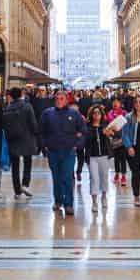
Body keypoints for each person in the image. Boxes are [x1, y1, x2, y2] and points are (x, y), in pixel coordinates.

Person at [40, 89, 86, 217]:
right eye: (57, 99)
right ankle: (58, 201)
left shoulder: (74, 114)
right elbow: (41, 131)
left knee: (67, 177)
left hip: (68, 151)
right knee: (56, 177)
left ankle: (69, 204)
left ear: (67, 100)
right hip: (53, 151)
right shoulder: (47, 114)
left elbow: (83, 129)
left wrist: (78, 145)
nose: (59, 101)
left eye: (62, 99)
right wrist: (44, 146)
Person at [1, 86, 38, 198]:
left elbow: (4, 125)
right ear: (21, 95)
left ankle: (17, 190)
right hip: (27, 139)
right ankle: (25, 184)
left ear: (11, 96)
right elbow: (33, 124)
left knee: (15, 165)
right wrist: (35, 133)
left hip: (13, 139)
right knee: (27, 162)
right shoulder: (27, 106)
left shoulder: (7, 108)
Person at [83, 103, 113, 212]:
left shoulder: (106, 126)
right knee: (94, 179)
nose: (96, 115)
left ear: (101, 115)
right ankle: (94, 202)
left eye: (98, 113)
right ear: (91, 115)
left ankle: (104, 196)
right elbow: (85, 139)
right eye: (94, 113)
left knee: (104, 177)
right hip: (92, 157)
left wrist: (108, 133)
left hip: (104, 156)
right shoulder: (87, 127)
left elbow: (114, 134)